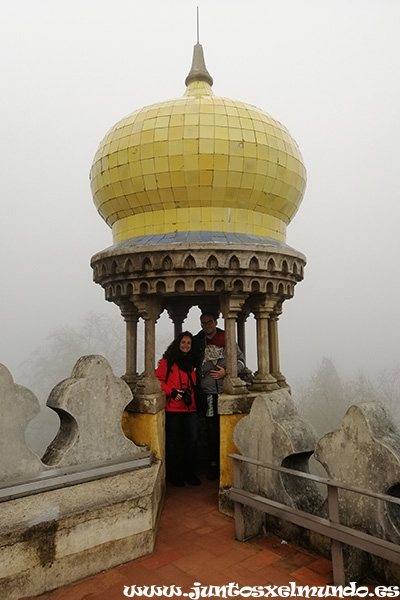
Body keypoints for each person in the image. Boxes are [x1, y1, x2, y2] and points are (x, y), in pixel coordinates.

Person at [193, 312, 246, 480]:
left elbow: (241, 362)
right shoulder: (197, 342)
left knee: (226, 431)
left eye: (209, 322)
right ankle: (213, 464)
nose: (207, 325)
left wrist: (227, 371)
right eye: (203, 322)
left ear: (216, 322)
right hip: (208, 395)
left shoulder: (227, 339)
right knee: (211, 431)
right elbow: (186, 360)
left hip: (225, 393)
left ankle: (228, 464)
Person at [155, 331, 200, 487]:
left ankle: (189, 473)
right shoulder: (167, 362)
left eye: (188, 343)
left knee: (192, 441)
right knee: (172, 442)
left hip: (190, 408)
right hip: (173, 408)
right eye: (183, 342)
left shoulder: (193, 363)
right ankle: (174, 474)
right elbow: (157, 380)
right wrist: (172, 392)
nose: (186, 345)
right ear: (177, 344)